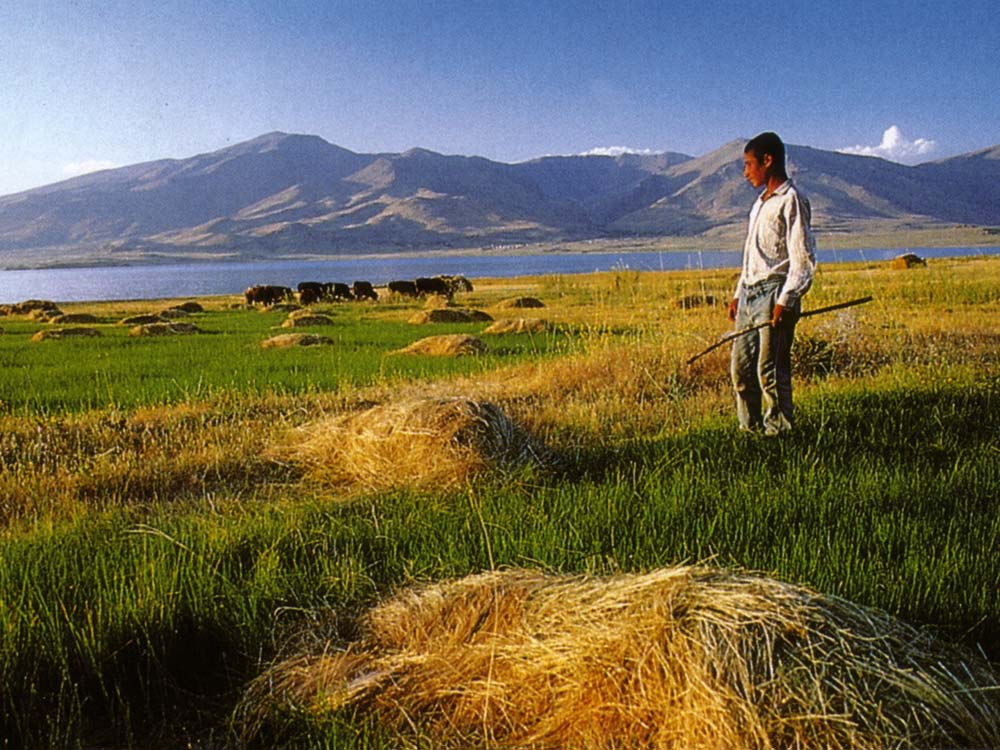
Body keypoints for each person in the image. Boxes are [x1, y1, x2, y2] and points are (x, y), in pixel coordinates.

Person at [727, 132, 816, 436]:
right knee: (741, 368)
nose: (745, 172)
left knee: (771, 370)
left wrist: (786, 300)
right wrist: (739, 294)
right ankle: (750, 431)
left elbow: (802, 258)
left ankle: (780, 432)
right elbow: (753, 256)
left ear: (767, 160)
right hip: (750, 293)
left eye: (748, 164)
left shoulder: (792, 200)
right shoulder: (759, 204)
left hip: (775, 291)